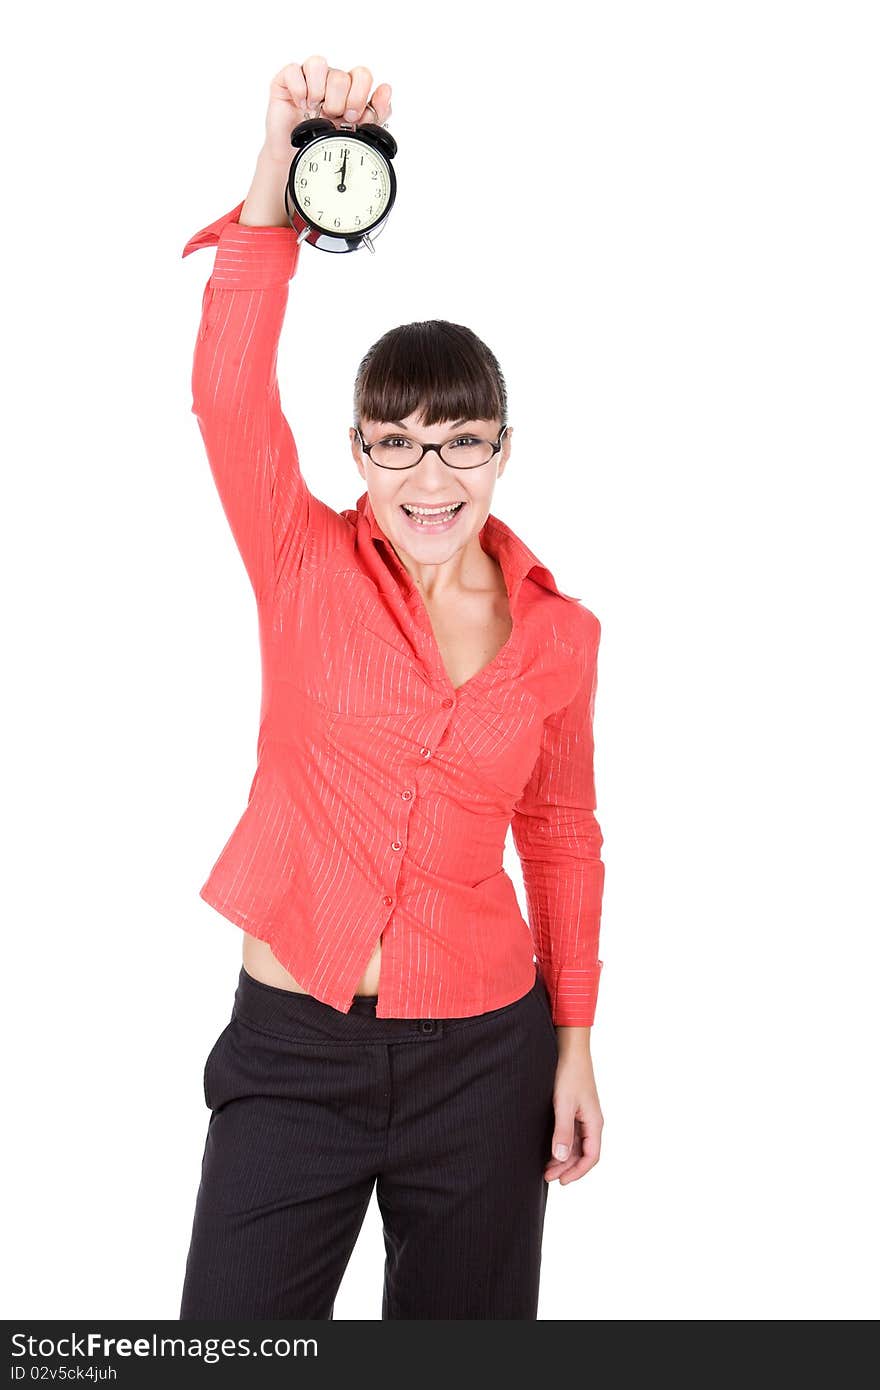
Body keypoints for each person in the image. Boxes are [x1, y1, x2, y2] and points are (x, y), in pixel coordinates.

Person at [178, 55, 606, 1321]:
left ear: (501, 451)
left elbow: (564, 839)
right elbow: (223, 388)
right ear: (358, 451)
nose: (431, 475)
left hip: (486, 1053)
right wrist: (279, 165)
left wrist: (574, 1044)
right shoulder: (300, 560)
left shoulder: (559, 635)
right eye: (398, 442)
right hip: (293, 1044)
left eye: (461, 442)